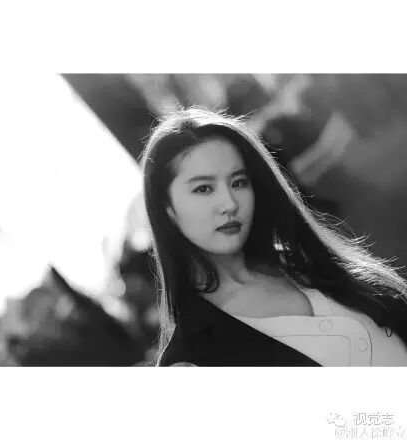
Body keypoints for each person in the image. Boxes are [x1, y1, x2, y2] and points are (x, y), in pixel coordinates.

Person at [139, 107, 407, 366]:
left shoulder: (308, 261)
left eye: (238, 183)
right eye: (203, 189)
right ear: (166, 207)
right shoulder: (193, 359)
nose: (229, 203)